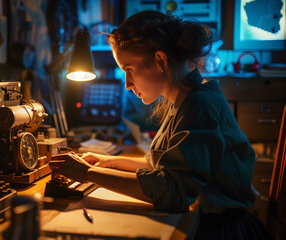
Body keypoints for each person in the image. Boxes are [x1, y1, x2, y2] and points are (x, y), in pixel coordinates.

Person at [49, 11, 273, 239]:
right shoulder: (185, 99)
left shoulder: (199, 105)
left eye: (129, 69)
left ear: (160, 60)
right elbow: (162, 167)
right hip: (206, 221)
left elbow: (174, 192)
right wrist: (108, 161)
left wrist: (88, 173)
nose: (127, 84)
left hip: (222, 230)